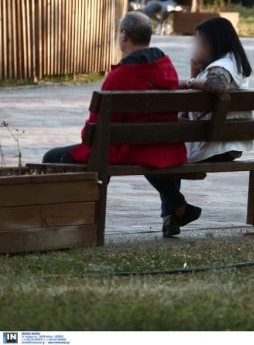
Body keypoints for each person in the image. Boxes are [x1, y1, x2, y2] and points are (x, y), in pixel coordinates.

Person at [42, 12, 199, 237]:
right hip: (167, 146)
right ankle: (176, 210)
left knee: (51, 157)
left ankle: (62, 219)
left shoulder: (120, 76)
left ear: (124, 35)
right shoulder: (166, 66)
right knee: (153, 151)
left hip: (128, 148)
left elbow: (93, 132)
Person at [180, 17, 254, 162]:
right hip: (227, 144)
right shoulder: (233, 61)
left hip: (214, 147)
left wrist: (188, 82)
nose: (195, 47)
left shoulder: (221, 67)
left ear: (213, 43)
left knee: (150, 153)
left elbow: (217, 85)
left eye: (199, 42)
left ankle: (170, 186)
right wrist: (194, 72)